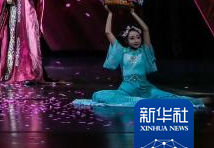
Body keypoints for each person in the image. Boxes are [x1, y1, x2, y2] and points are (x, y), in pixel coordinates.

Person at [73, 6, 205, 108]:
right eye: (132, 38)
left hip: (145, 88)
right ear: (126, 40)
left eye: (138, 37)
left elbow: (146, 29)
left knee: (170, 98)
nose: (136, 40)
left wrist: (133, 13)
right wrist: (110, 13)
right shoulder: (122, 51)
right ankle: (141, 102)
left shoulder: (144, 50)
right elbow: (108, 32)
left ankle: (143, 101)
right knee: (99, 95)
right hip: (127, 89)